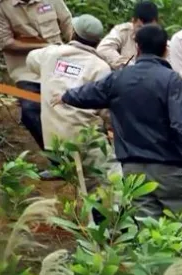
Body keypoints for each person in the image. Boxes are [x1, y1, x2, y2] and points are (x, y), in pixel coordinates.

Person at [54, 24, 182, 275]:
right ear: (166, 49)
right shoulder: (170, 80)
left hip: (134, 176)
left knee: (151, 238)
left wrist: (65, 96)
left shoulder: (118, 78)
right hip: (168, 172)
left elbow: (86, 94)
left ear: (137, 47)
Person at [26, 14, 121, 195]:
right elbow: (105, 111)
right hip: (85, 138)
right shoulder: (100, 67)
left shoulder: (49, 54)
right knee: (112, 180)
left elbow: (30, 60)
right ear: (98, 41)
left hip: (54, 141)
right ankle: (111, 218)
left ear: (72, 33)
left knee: (84, 182)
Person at [0, 0, 73, 179]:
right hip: (27, 71)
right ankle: (60, 164)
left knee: (75, 103)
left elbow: (67, 23)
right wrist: (44, 47)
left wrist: (75, 51)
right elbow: (6, 42)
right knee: (30, 110)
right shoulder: (3, 7)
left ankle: (86, 155)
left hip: (59, 63)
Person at [96, 0, 160, 69]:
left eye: (149, 28)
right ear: (133, 21)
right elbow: (103, 49)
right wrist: (127, 64)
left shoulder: (160, 36)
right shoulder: (123, 31)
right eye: (140, 27)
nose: (145, 32)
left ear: (156, 24)